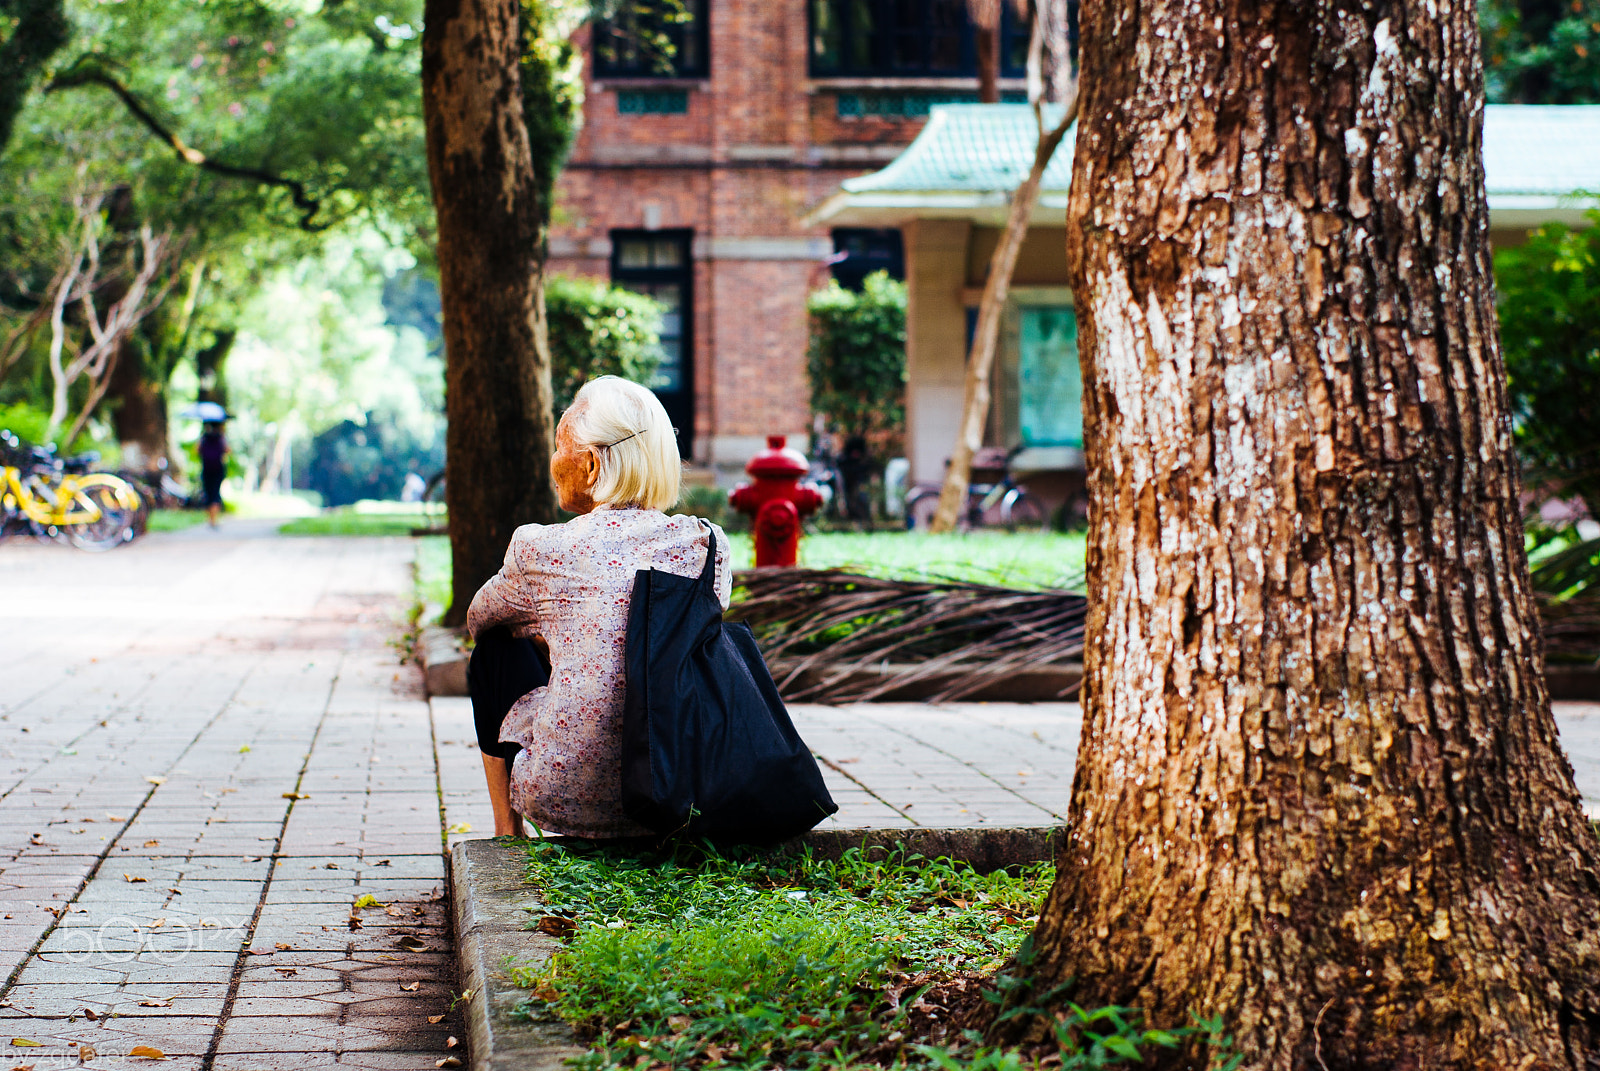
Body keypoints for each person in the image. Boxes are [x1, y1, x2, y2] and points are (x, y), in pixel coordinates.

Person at [465, 376, 730, 838]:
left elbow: (479, 619)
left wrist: (550, 635)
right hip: (682, 797)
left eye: (557, 444)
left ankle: (507, 831)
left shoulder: (541, 548)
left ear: (589, 465)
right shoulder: (706, 543)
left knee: (494, 648)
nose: (552, 461)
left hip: (568, 799)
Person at [197, 422, 228, 528]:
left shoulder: (204, 437)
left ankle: (210, 518)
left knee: (208, 493)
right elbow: (227, 450)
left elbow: (197, 450)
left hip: (206, 468)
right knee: (215, 492)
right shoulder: (221, 437)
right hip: (218, 468)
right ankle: (214, 519)